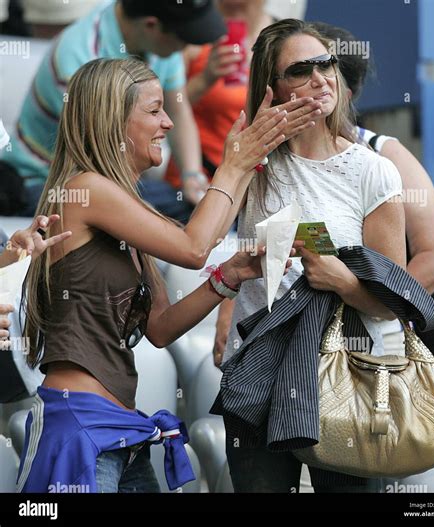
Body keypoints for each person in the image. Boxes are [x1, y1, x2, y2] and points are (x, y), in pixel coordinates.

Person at [17, 56, 317, 493]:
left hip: (122, 429)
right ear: (113, 120)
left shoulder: (124, 207)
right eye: (155, 110)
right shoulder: (87, 190)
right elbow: (194, 248)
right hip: (78, 426)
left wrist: (230, 276)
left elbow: (159, 328)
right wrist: (232, 166)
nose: (169, 124)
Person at [219, 19, 407, 493]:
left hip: (347, 372)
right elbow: (201, 242)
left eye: (326, 63)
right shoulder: (252, 161)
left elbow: (396, 299)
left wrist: (341, 279)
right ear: (273, 89)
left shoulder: (373, 170)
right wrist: (236, 160)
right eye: (301, 69)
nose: (321, 77)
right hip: (259, 369)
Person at [1, 0, 226, 220]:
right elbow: (97, 157)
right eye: (183, 40)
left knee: (198, 207)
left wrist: (192, 177)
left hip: (112, 176)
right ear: (151, 25)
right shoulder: (78, 61)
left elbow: (178, 110)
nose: (186, 48)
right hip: (46, 182)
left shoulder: (156, 39)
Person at [164, 0, 279, 189]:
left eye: (242, 6)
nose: (233, 8)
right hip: (193, 183)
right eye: (225, 6)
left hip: (257, 185)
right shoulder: (193, 38)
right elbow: (164, 111)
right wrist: (205, 79)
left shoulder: (284, 42)